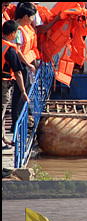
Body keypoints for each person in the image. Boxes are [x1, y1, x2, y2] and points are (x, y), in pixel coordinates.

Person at [10, 2, 38, 131]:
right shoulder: (17, 30)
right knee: (19, 94)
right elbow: (18, 50)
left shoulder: (24, 28)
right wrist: (28, 64)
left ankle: (21, 121)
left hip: (26, 64)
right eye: (32, 17)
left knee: (24, 92)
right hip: (21, 65)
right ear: (26, 16)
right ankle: (16, 124)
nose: (33, 20)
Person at [2, 19, 28, 149]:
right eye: (17, 32)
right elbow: (18, 72)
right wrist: (23, 91)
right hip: (4, 83)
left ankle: (3, 138)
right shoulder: (10, 50)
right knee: (2, 110)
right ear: (12, 34)